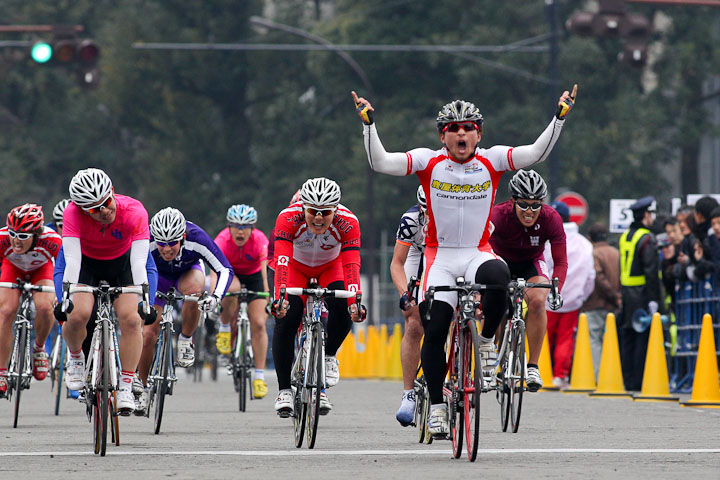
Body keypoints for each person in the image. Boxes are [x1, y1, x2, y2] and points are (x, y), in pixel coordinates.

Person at [352, 84, 577, 436]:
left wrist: (559, 117)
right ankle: (439, 408)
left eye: (468, 127)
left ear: (478, 134)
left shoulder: (493, 160)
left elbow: (536, 152)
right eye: (453, 128)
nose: (461, 133)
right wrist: (369, 125)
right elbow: (380, 162)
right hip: (439, 257)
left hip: (476, 252)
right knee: (435, 326)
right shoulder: (429, 161)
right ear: (443, 136)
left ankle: (486, 341)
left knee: (500, 275)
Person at [271, 177, 365, 417]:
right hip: (295, 267)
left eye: (325, 212)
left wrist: (356, 301)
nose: (319, 218)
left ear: (336, 209)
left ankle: (329, 355)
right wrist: (280, 297)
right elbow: (281, 261)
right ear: (303, 207)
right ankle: (284, 390)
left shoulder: (349, 222)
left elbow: (352, 264)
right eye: (313, 211)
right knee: (287, 318)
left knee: (344, 305)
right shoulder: (287, 217)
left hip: (329, 267)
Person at [60, 168, 151, 414]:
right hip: (87, 265)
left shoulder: (134, 211)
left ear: (112, 193)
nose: (104, 211)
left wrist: (144, 299)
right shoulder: (72, 214)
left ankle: (126, 384)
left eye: (107, 202)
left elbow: (139, 262)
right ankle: (77, 357)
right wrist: (66, 298)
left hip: (122, 265)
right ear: (81, 209)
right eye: (94, 209)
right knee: (77, 315)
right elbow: (72, 260)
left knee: (132, 320)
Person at [133, 207, 234, 414]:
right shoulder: (146, 238)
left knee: (195, 291)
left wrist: (215, 298)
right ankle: (141, 387)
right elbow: (131, 267)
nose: (167, 249)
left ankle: (186, 339)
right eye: (161, 243)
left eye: (172, 243)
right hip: (156, 278)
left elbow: (224, 269)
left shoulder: (196, 236)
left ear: (183, 236)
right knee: (148, 334)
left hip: (188, 273)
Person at [489, 170, 567, 392]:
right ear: (512, 201)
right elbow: (482, 248)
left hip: (530, 262)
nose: (530, 211)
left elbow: (561, 262)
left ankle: (532, 365)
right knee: (497, 303)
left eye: (536, 205)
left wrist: (556, 289)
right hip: (499, 261)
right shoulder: (497, 216)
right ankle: (492, 356)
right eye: (524, 204)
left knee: (536, 301)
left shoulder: (551, 218)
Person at [0, 204, 62, 397]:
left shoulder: (52, 240)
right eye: (13, 233)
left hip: (41, 271)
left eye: (23, 236)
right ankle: (2, 372)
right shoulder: (2, 239)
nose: (16, 241)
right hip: (12, 268)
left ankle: (39, 348)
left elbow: (64, 269)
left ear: (36, 235)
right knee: (6, 311)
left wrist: (62, 295)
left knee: (45, 307)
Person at [212, 204, 271, 399]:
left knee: (260, 324)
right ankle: (225, 328)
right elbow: (215, 272)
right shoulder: (221, 240)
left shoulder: (260, 241)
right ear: (229, 226)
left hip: (254, 276)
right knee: (231, 290)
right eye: (236, 226)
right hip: (230, 273)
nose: (240, 231)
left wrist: (268, 294)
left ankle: (259, 377)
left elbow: (265, 272)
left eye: (246, 227)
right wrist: (215, 296)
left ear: (252, 229)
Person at [543, 201, 594, 389]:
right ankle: (560, 376)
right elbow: (591, 276)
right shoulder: (584, 244)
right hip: (572, 300)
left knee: (542, 335)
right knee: (566, 339)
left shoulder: (547, 241)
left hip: (547, 298)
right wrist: (581, 296)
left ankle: (539, 371)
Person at [619, 196, 663, 391]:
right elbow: (651, 271)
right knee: (641, 338)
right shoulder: (647, 238)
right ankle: (638, 381)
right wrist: (654, 300)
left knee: (627, 335)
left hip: (626, 293)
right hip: (642, 293)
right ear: (646, 214)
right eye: (651, 213)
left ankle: (628, 380)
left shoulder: (625, 236)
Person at [391, 186, 427, 426]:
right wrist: (406, 293)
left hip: (448, 253)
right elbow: (397, 263)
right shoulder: (411, 220)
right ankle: (408, 394)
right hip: (417, 255)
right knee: (414, 320)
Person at [580, 222, 620, 376]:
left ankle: (597, 375)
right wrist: (617, 296)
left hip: (595, 302)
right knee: (610, 339)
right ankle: (611, 374)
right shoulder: (616, 252)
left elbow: (598, 277)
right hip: (613, 304)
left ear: (590, 238)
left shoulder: (593, 253)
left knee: (594, 339)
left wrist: (611, 294)